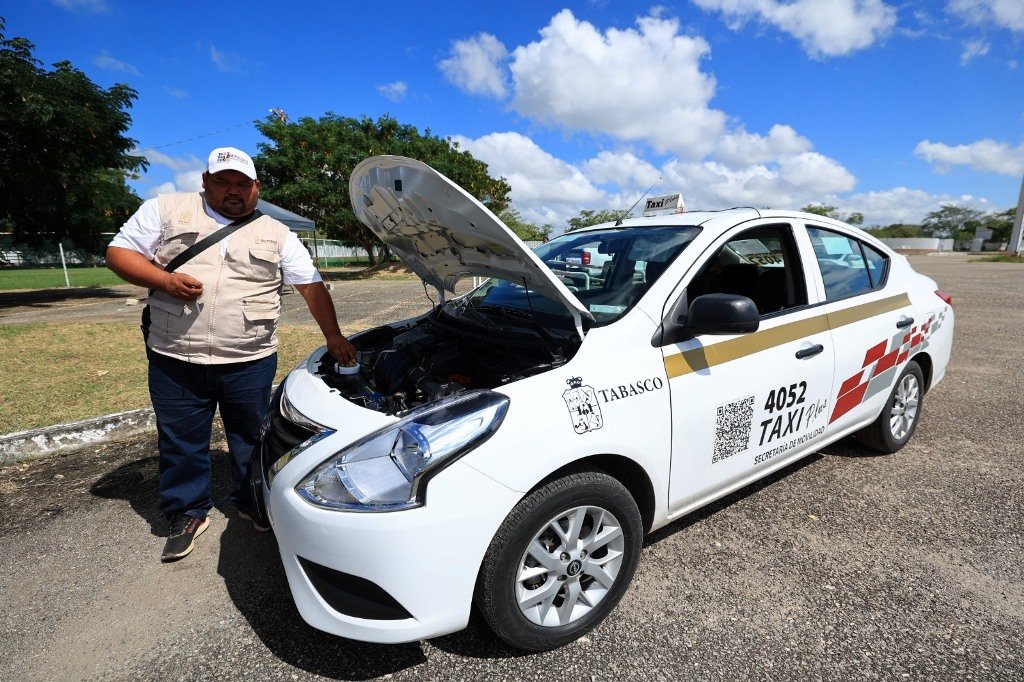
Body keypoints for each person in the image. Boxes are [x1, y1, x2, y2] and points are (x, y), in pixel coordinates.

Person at [107, 146, 356, 562]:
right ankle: (187, 511)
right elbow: (119, 253)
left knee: (251, 436)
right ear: (205, 181)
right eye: (223, 182)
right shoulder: (166, 209)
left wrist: (333, 336)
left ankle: (252, 502)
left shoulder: (276, 232)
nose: (233, 191)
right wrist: (163, 281)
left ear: (256, 188)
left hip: (249, 359)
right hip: (175, 355)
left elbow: (311, 285)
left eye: (243, 184)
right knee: (181, 438)